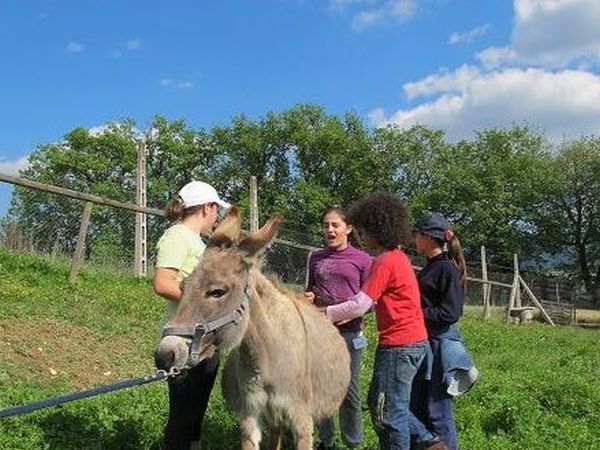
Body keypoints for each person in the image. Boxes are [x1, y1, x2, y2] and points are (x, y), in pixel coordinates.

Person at [323, 192, 446, 450]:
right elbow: (379, 301)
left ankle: (420, 443)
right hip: (411, 342)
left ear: (378, 230)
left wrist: (324, 314)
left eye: (365, 231)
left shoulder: (386, 261)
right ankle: (428, 442)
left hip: (399, 345)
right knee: (381, 402)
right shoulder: (399, 258)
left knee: (389, 414)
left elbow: (360, 304)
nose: (362, 237)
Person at [153, 180, 230, 450]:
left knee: (196, 413)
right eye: (216, 210)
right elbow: (163, 283)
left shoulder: (198, 243)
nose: (217, 217)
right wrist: (203, 303)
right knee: (182, 417)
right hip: (184, 341)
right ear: (207, 208)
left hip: (206, 341)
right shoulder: (177, 236)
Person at [305, 205, 372, 450]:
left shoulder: (363, 260)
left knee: (348, 391)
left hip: (350, 335)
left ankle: (353, 443)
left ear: (348, 228)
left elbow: (371, 301)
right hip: (320, 332)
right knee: (320, 388)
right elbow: (311, 288)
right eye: (326, 225)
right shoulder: (316, 257)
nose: (330, 230)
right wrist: (310, 296)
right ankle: (326, 441)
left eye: (335, 225)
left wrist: (350, 312)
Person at [411, 213, 478, 450]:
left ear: (429, 238)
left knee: (437, 409)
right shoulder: (432, 267)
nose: (413, 239)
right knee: (417, 405)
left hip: (440, 346)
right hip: (426, 343)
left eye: (417, 234)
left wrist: (415, 314)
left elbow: (451, 313)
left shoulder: (446, 269)